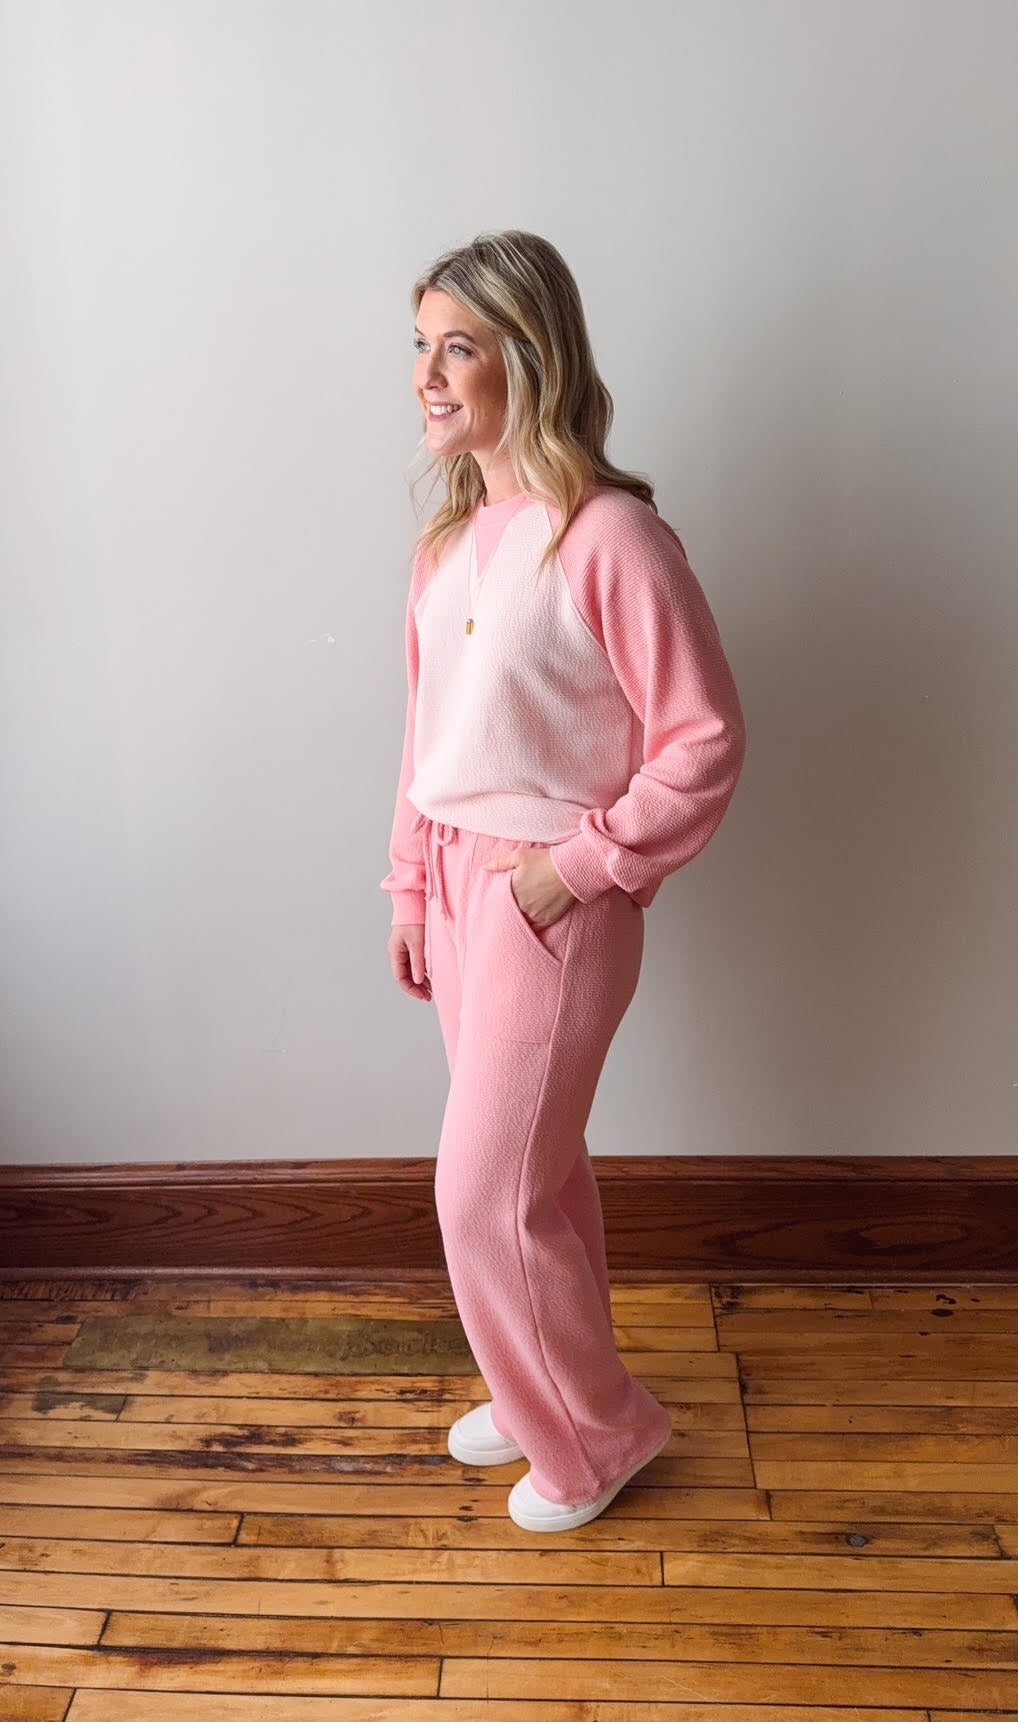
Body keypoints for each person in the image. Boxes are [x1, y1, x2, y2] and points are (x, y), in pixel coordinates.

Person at [380, 230, 746, 1533]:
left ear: (528, 358)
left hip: (552, 902)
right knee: (535, 1178)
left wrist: (577, 867)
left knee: (478, 1190)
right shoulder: (447, 543)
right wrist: (411, 885)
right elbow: (432, 742)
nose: (426, 374)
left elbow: (702, 735)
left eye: (457, 346)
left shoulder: (608, 535)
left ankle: (592, 1434)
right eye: (417, 345)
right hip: (463, 885)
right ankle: (539, 1388)